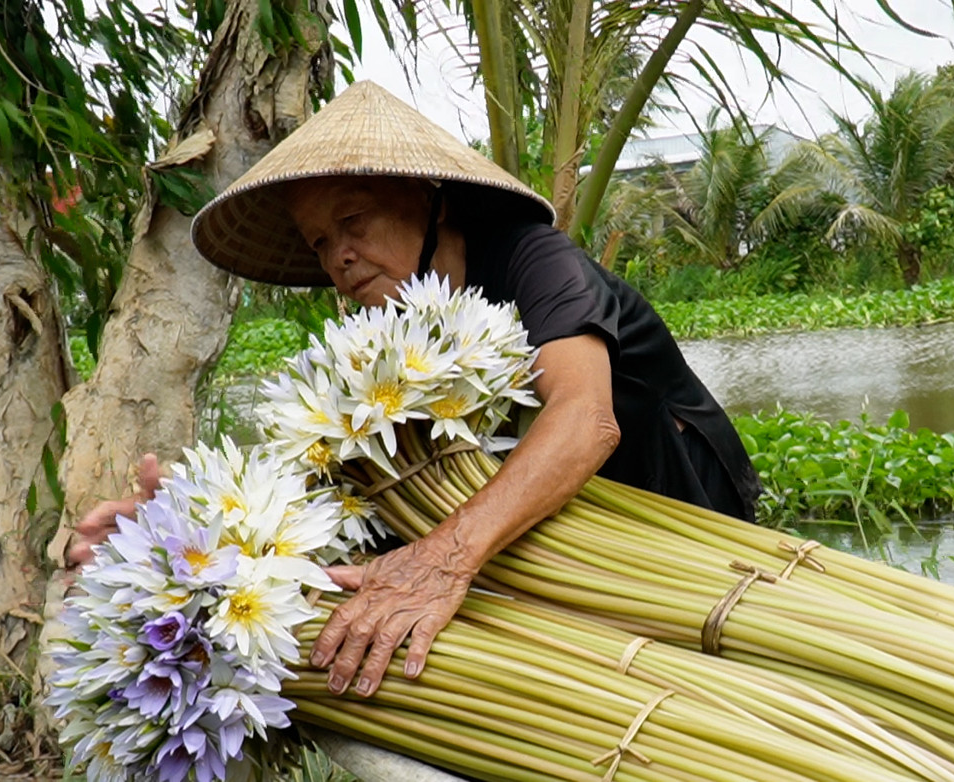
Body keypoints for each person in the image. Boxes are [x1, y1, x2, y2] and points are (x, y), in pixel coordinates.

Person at [68, 81, 761, 699]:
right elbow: (331, 485)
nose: (337, 256)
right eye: (318, 242)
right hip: (574, 537)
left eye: (353, 222)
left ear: (428, 201)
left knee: (719, 673)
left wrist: (440, 560)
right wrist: (172, 534)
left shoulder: (533, 260)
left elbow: (586, 420)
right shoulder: (383, 335)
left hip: (675, 503)